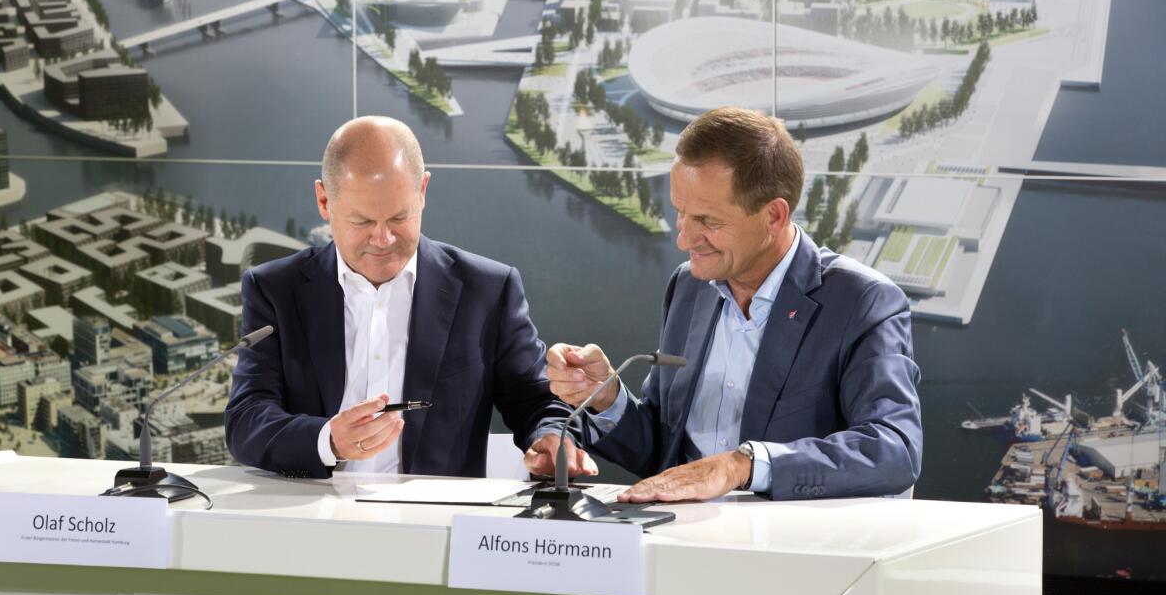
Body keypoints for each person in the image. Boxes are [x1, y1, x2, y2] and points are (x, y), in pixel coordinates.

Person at [548, 107, 921, 502]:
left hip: (797, 550)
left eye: (708, 220)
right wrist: (607, 396)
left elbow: (894, 449)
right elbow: (664, 451)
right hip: (686, 540)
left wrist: (742, 465)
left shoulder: (863, 301)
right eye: (681, 214)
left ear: (774, 215)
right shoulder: (689, 287)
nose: (685, 239)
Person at [226, 116, 595, 480]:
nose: (383, 239)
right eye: (362, 222)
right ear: (324, 201)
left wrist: (550, 437)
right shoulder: (274, 289)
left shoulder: (488, 289)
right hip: (310, 519)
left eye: (399, 217)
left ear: (422, 192)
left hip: (436, 524)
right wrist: (328, 440)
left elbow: (535, 400)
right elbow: (247, 418)